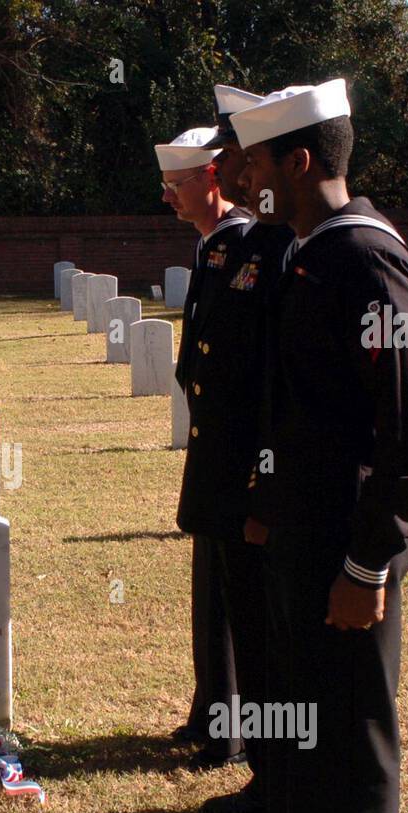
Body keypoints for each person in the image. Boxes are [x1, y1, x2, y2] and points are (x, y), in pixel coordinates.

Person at [232, 79, 408, 813]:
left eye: (256, 157)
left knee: (352, 748)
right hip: (298, 543)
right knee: (300, 739)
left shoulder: (366, 258)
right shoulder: (304, 251)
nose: (245, 171)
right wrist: (266, 504)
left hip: (345, 557)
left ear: (298, 160)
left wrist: (369, 566)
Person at [173, 87, 296, 813]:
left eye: (248, 160)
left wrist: (260, 487)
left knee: (271, 648)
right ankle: (265, 781)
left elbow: (271, 383)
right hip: (226, 469)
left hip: (257, 479)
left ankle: (278, 791)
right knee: (247, 633)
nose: (244, 174)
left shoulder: (281, 250)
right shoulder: (236, 248)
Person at [155, 125, 249, 770]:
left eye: (177, 184)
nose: (168, 197)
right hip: (212, 443)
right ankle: (209, 711)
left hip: (240, 450)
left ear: (211, 179)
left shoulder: (242, 244)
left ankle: (231, 729)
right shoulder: (212, 247)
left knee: (236, 598)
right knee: (210, 590)